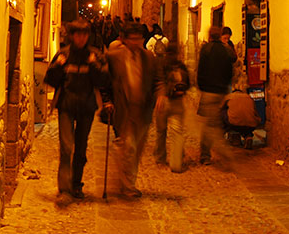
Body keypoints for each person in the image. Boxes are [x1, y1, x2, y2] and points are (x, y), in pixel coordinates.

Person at [44, 20, 109, 199]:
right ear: (72, 36)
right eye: (77, 34)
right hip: (66, 106)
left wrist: (94, 66)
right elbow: (50, 80)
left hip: (87, 107)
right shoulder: (63, 54)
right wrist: (58, 67)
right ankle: (64, 188)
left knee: (81, 147)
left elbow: (103, 81)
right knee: (66, 147)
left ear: (88, 36)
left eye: (84, 34)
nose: (81, 38)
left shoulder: (95, 55)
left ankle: (76, 184)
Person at [103, 22, 167, 198]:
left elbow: (159, 80)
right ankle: (128, 186)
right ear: (124, 39)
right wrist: (107, 101)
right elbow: (105, 82)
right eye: (133, 39)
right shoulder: (114, 57)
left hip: (143, 110)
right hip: (124, 110)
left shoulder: (149, 58)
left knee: (136, 149)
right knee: (129, 147)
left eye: (139, 39)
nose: (136, 42)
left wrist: (160, 95)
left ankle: (126, 178)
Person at [196, 25, 236, 167]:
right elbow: (230, 71)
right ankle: (209, 154)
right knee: (214, 122)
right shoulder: (226, 51)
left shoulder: (206, 50)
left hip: (208, 92)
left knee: (210, 125)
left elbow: (200, 70)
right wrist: (225, 88)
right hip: (221, 92)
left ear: (210, 36)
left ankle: (213, 153)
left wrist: (201, 86)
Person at [153, 42, 190, 172]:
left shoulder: (160, 64)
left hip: (162, 102)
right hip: (177, 101)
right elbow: (189, 83)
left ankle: (160, 157)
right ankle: (176, 162)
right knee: (177, 132)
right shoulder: (181, 66)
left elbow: (156, 81)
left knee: (161, 131)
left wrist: (158, 95)